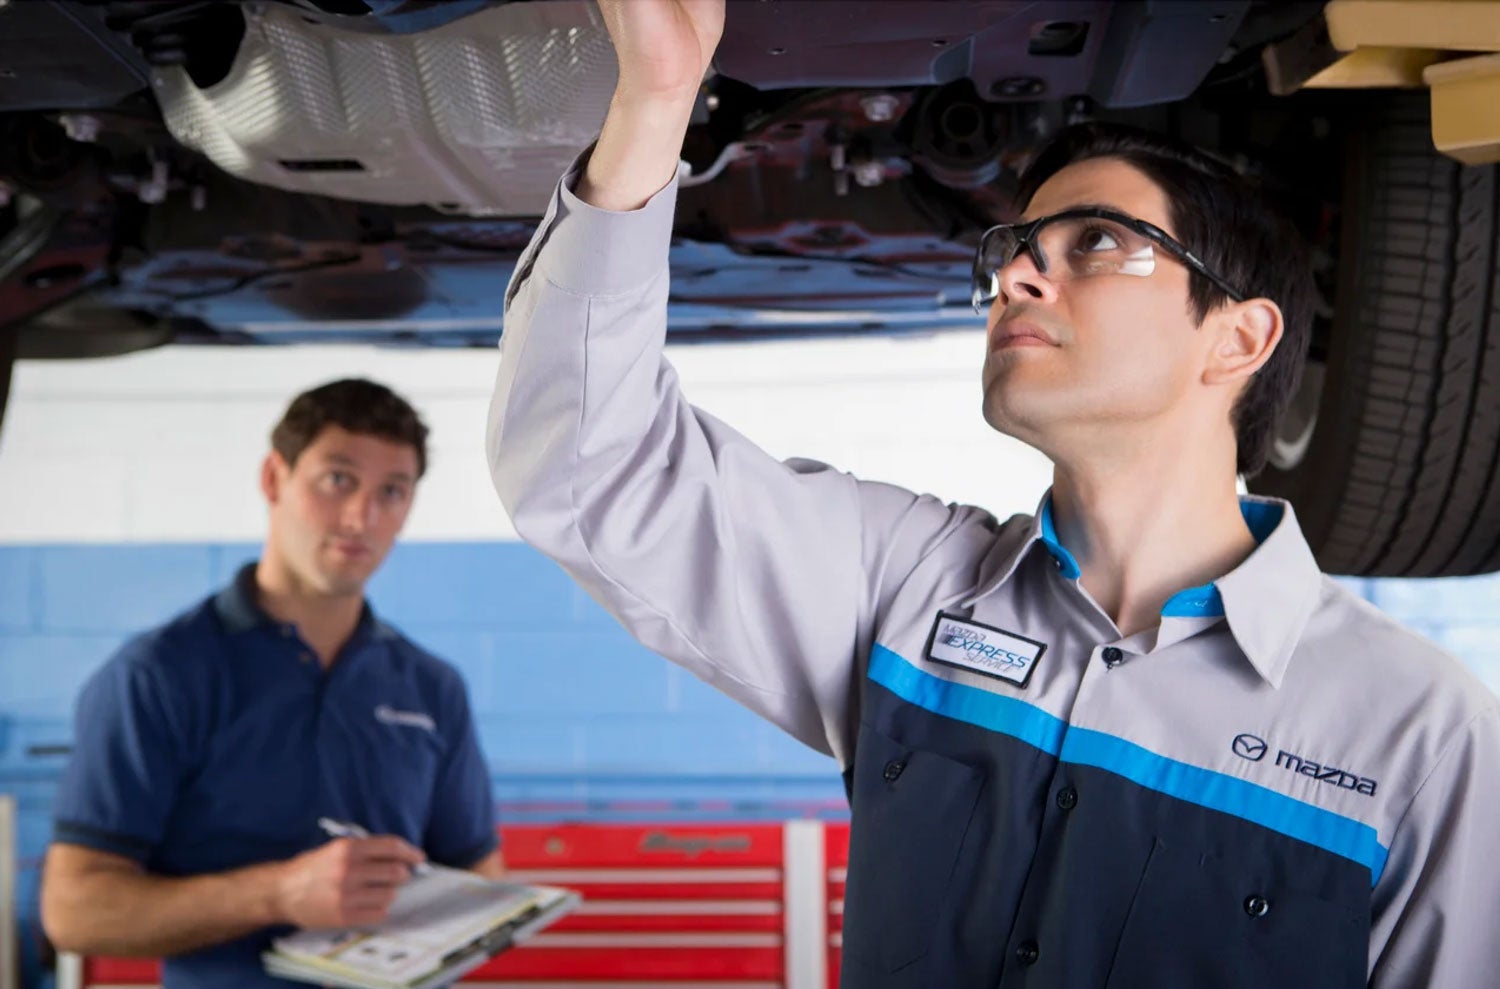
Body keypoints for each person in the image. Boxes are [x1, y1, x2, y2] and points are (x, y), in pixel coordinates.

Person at [485, 2, 1500, 986]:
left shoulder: (1414, 730)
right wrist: (657, 100)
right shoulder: (908, 592)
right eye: (1016, 250)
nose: (1016, 275)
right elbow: (590, 462)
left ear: (1238, 336)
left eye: (1096, 243)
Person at [41, 378, 503, 989]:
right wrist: (279, 894)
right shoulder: (158, 676)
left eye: (392, 492)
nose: (362, 517)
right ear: (273, 479)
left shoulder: (431, 687)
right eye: (338, 480)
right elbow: (74, 912)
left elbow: (479, 872)